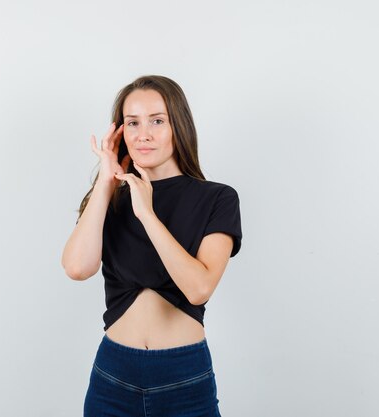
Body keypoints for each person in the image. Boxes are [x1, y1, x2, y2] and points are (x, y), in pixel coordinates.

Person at [61, 75, 242, 417]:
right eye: (133, 123)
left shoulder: (217, 198)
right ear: (120, 133)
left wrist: (147, 213)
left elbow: (198, 289)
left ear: (179, 127)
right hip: (114, 374)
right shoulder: (110, 198)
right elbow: (77, 268)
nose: (143, 134)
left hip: (183, 376)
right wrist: (105, 181)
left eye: (157, 121)